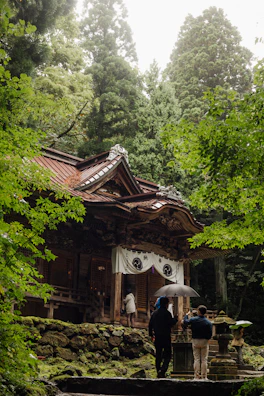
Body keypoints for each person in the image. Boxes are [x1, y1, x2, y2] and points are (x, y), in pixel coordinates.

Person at [149, 296, 177, 378]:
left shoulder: (154, 313)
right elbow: (171, 323)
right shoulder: (167, 313)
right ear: (166, 304)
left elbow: (150, 325)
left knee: (158, 354)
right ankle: (163, 369)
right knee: (168, 354)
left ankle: (158, 370)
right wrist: (175, 319)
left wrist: (151, 334)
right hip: (166, 336)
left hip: (157, 336)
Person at [184, 305, 212, 380]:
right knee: (204, 359)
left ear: (199, 311)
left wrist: (186, 315)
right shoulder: (208, 322)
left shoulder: (193, 320)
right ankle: (204, 376)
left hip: (195, 339)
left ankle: (196, 375)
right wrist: (207, 338)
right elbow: (210, 334)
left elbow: (186, 322)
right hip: (204, 341)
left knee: (196, 358)